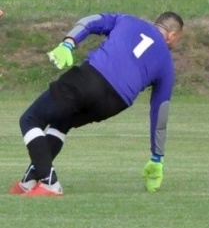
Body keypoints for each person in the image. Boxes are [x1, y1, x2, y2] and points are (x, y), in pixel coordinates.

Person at [12, 10, 183, 196]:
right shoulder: (166, 64)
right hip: (115, 103)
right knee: (62, 121)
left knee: (30, 119)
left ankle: (49, 182)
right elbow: (161, 112)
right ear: (172, 35)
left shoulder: (127, 20)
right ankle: (30, 179)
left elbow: (90, 21)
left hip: (90, 79)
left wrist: (68, 43)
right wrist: (157, 158)